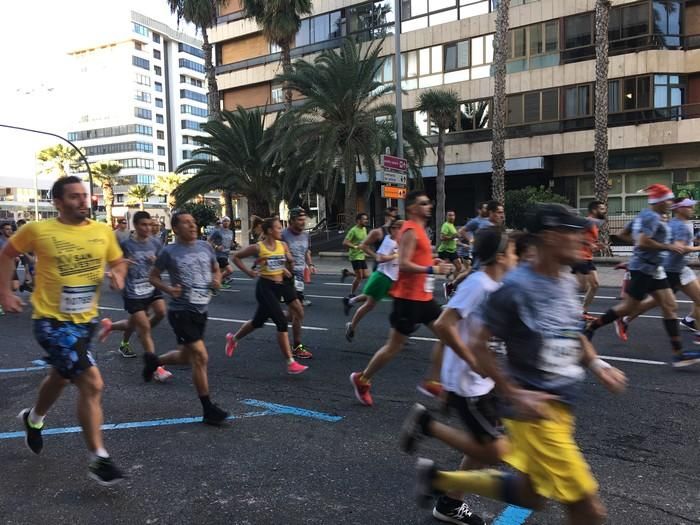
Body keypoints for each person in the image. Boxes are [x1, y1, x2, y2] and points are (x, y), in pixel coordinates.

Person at [414, 203, 628, 525]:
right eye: (574, 232)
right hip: (533, 413)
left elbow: (571, 332)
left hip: (562, 408)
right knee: (588, 510)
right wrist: (513, 393)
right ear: (551, 237)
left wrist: (598, 365)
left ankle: (440, 481)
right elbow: (477, 343)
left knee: (531, 495)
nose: (586, 240)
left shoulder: (568, 281)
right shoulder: (514, 287)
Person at [0, 176, 128, 485]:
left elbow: (118, 260)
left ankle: (33, 419)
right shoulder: (38, 230)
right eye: (74, 197)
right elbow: (7, 254)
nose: (82, 201)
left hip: (85, 321)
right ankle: (99, 458)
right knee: (92, 383)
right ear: (57, 202)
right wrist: (5, 292)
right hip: (51, 321)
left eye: (84, 195)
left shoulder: (101, 231)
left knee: (61, 374)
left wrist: (119, 275)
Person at [400, 227, 518, 525]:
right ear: (501, 256)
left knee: (483, 447)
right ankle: (428, 429)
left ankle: (451, 502)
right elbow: (443, 324)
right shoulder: (478, 284)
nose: (518, 257)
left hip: (484, 381)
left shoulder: (496, 285)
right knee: (493, 450)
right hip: (470, 383)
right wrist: (471, 360)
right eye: (514, 251)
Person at [349, 190, 453, 406]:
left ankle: (432, 381)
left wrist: (435, 261)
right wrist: (432, 270)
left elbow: (419, 258)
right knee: (393, 347)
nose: (429, 206)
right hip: (407, 299)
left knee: (448, 335)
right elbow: (404, 264)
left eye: (428, 203)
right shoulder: (410, 231)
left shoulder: (421, 230)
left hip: (424, 298)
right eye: (424, 203)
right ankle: (362, 378)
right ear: (413, 208)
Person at [585, 184, 700, 367]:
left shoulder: (648, 216)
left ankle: (678, 354)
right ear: (659, 201)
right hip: (644, 269)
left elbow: (623, 234)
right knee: (628, 307)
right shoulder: (651, 217)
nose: (670, 203)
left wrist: (641, 244)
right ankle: (592, 327)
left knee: (670, 306)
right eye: (668, 200)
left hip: (655, 269)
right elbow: (644, 241)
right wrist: (666, 246)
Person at [146, 211, 229, 425]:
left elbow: (215, 268)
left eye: (194, 222)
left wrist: (217, 279)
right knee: (200, 357)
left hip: (201, 309)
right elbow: (153, 277)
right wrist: (168, 289)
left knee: (185, 356)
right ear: (175, 228)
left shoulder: (205, 246)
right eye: (186, 223)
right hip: (181, 311)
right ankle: (208, 409)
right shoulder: (169, 251)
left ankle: (155, 362)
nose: (192, 226)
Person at [226, 218, 309, 374]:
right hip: (266, 287)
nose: (281, 230)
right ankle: (291, 362)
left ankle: (233, 339)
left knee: (260, 321)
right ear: (270, 230)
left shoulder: (283, 245)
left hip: (283, 284)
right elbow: (236, 257)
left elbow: (286, 265)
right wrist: (248, 272)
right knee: (281, 322)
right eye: (278, 227)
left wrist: (288, 265)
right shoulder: (258, 247)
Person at [97, 211, 170, 381]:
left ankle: (112, 326)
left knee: (160, 312)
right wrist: (121, 266)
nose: (148, 228)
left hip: (150, 286)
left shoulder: (155, 242)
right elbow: (113, 264)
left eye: (150, 225)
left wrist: (156, 262)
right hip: (133, 291)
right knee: (143, 328)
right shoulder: (126, 244)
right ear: (136, 225)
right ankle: (156, 368)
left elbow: (162, 263)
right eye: (144, 225)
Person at [618, 198, 700, 343]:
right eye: (689, 207)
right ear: (679, 209)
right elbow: (681, 249)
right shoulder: (679, 226)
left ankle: (694, 327)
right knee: (657, 302)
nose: (692, 209)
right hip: (672, 269)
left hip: (680, 268)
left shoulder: (675, 224)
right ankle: (625, 317)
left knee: (662, 301)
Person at [344, 218, 403, 342]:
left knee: (402, 301)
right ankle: (352, 325)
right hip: (382, 277)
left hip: (392, 279)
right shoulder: (389, 242)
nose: (401, 230)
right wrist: (394, 256)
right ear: (392, 230)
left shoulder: (398, 242)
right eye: (398, 227)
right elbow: (380, 258)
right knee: (370, 305)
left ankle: (400, 331)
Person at [281, 207, 314, 357]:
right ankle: (297, 346)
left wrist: (311, 264)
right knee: (298, 312)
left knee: (292, 314)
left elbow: (307, 251)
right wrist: (284, 268)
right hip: (287, 277)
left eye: (304, 219)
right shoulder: (282, 235)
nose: (303, 222)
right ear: (292, 220)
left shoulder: (306, 235)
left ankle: (272, 313)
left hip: (299, 277)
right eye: (300, 220)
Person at [571, 201, 606, 320]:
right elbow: (577, 236)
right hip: (579, 257)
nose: (604, 211)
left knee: (595, 285)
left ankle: (583, 311)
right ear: (594, 210)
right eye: (601, 209)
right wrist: (590, 244)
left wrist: (596, 245)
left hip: (588, 258)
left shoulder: (594, 225)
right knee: (581, 287)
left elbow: (589, 241)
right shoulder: (588, 222)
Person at [341, 213, 370, 296]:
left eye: (366, 219)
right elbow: (345, 242)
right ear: (358, 221)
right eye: (364, 219)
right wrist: (355, 246)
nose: (366, 221)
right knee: (359, 277)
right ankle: (351, 294)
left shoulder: (364, 229)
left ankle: (347, 273)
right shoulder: (353, 230)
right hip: (355, 256)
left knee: (365, 275)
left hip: (362, 255)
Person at [209, 216, 235, 289]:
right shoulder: (217, 231)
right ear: (222, 222)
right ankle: (217, 282)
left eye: (227, 221)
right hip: (219, 255)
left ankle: (217, 283)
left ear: (229, 223)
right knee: (230, 270)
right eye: (224, 221)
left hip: (226, 254)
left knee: (220, 271)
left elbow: (230, 242)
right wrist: (216, 246)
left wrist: (232, 244)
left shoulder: (231, 232)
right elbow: (209, 241)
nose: (226, 222)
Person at [438, 210, 463, 278]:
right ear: (447, 216)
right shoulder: (445, 225)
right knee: (444, 269)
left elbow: (455, 238)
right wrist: (453, 237)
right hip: (445, 250)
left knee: (459, 267)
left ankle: (453, 283)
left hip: (452, 250)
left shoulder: (452, 225)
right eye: (450, 215)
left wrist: (457, 238)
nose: (451, 217)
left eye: (453, 215)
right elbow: (442, 237)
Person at [0, 222, 20, 293]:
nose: (10, 231)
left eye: (10, 229)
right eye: (7, 229)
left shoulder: (12, 240)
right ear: (1, 231)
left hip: (12, 267)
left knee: (15, 286)